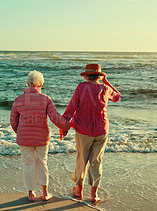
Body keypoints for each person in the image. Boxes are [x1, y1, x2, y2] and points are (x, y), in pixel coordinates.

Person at [60, 63, 121, 203]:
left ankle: (79, 190)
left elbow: (71, 107)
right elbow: (118, 97)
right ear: (99, 76)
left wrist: (64, 125)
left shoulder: (81, 87)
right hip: (101, 130)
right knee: (96, 161)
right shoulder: (105, 88)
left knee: (82, 158)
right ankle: (94, 194)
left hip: (83, 130)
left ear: (87, 76)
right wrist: (107, 82)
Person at [10, 70, 70, 202]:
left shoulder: (19, 99)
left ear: (28, 83)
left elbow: (13, 121)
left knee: (28, 164)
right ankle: (45, 193)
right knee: (43, 163)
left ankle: (31, 194)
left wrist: (20, 132)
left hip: (24, 139)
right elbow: (55, 118)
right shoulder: (45, 99)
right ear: (41, 84)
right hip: (42, 139)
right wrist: (66, 126)